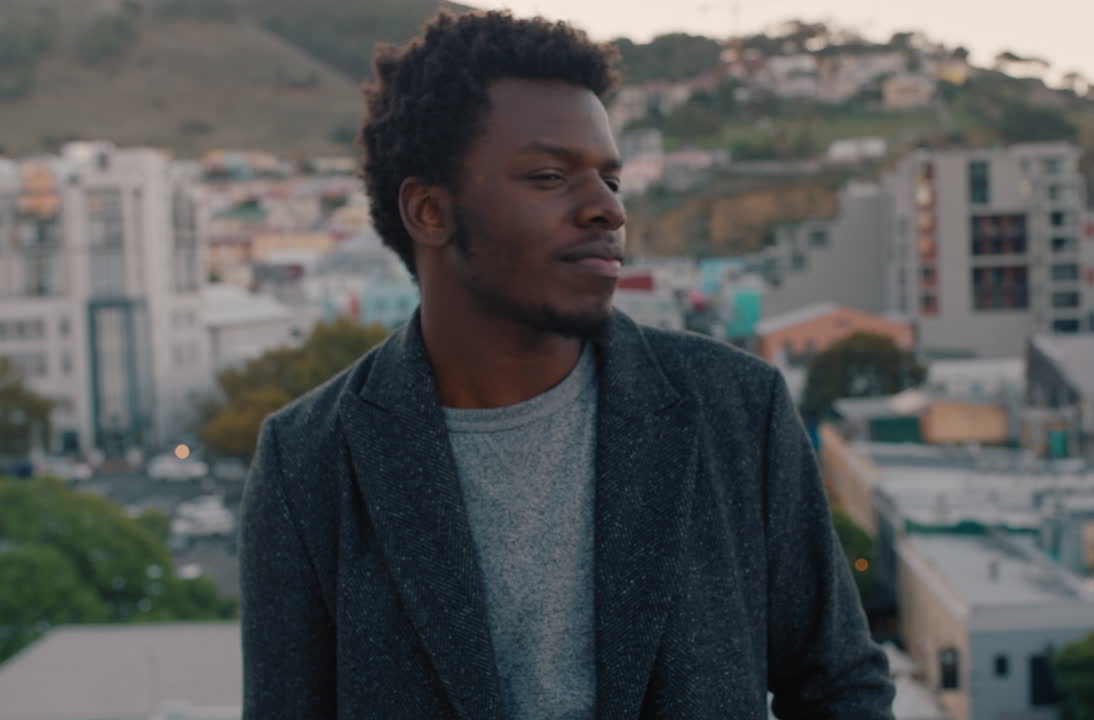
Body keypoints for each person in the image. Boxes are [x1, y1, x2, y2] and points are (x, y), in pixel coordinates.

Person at [238, 10, 894, 719]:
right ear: (430, 210)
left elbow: (838, 686)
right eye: (551, 176)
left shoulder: (736, 408)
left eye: (611, 179)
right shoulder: (308, 460)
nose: (606, 210)